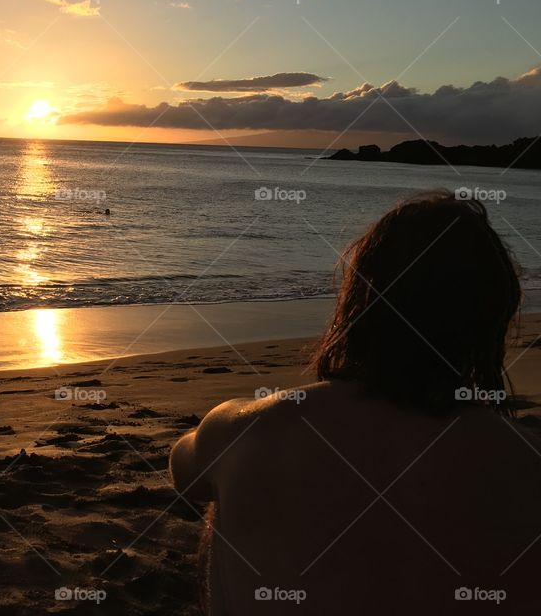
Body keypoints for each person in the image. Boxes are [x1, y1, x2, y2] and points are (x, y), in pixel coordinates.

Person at [170, 190, 541, 614]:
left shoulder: (251, 427)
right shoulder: (525, 459)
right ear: (492, 320)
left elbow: (186, 472)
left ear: (359, 300)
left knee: (226, 496)